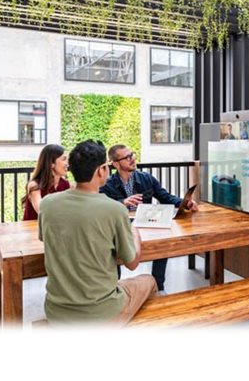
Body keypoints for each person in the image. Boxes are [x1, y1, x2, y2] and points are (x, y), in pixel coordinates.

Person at [38, 139, 157, 325]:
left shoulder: (47, 204)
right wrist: (135, 234)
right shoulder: (115, 210)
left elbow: (45, 239)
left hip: (56, 311)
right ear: (101, 170)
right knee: (149, 280)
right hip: (102, 312)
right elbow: (132, 263)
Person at [101, 144, 198, 293]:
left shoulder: (146, 178)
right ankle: (115, 289)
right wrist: (122, 202)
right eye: (127, 157)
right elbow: (101, 207)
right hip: (120, 226)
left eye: (132, 154)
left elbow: (165, 197)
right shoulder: (107, 185)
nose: (132, 159)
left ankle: (159, 288)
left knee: (163, 241)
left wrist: (185, 203)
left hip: (144, 224)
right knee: (113, 248)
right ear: (115, 164)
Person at [22, 144, 71, 221]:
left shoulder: (65, 184)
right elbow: (42, 212)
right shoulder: (35, 186)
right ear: (51, 163)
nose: (67, 164)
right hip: (33, 227)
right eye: (64, 159)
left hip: (55, 227)